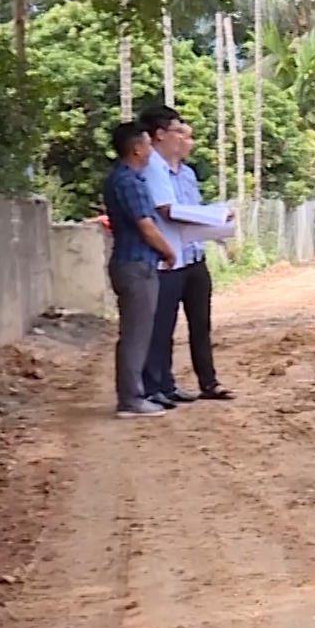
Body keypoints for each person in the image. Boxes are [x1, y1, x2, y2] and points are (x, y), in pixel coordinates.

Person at [102, 122, 179, 418]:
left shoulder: (118, 179)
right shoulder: (130, 182)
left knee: (134, 332)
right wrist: (169, 251)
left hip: (128, 262)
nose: (150, 151)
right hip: (137, 265)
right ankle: (131, 399)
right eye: (147, 145)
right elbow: (146, 227)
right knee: (136, 334)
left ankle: (133, 395)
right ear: (136, 149)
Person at [168, 117, 233, 400]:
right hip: (171, 259)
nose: (190, 143)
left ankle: (209, 382)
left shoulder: (188, 174)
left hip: (194, 256)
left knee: (201, 324)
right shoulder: (154, 175)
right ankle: (164, 384)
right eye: (186, 136)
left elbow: (194, 211)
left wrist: (218, 224)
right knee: (165, 326)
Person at [138, 106, 198, 408]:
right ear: (159, 135)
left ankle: (165, 383)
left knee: (167, 327)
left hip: (176, 255)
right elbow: (166, 209)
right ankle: (152, 386)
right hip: (162, 257)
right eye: (177, 131)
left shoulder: (169, 169)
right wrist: (209, 218)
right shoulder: (152, 169)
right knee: (157, 328)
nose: (182, 138)